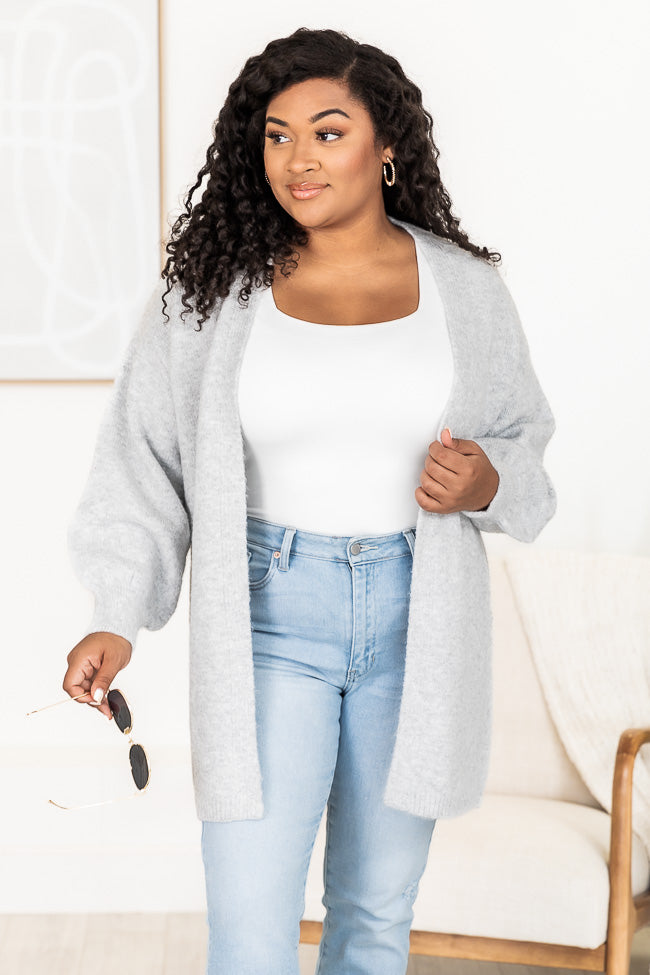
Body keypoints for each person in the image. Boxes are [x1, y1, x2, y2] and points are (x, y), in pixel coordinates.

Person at [62, 27, 557, 975]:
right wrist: (116, 613)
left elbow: (525, 448)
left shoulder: (465, 290)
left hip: (418, 620)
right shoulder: (210, 292)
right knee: (251, 926)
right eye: (278, 136)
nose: (299, 159)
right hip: (267, 618)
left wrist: (489, 478)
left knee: (373, 916)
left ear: (387, 145)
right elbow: (144, 460)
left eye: (328, 133)